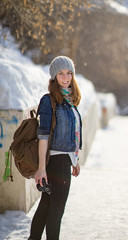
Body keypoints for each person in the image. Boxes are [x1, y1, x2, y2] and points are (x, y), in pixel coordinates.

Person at [28, 56, 82, 240]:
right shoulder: (49, 100)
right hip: (55, 162)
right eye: (61, 74)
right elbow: (43, 136)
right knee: (56, 211)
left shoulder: (70, 100)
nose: (65, 78)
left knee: (47, 205)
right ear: (54, 76)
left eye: (69, 73)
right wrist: (41, 168)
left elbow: (73, 133)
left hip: (65, 161)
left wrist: (75, 161)